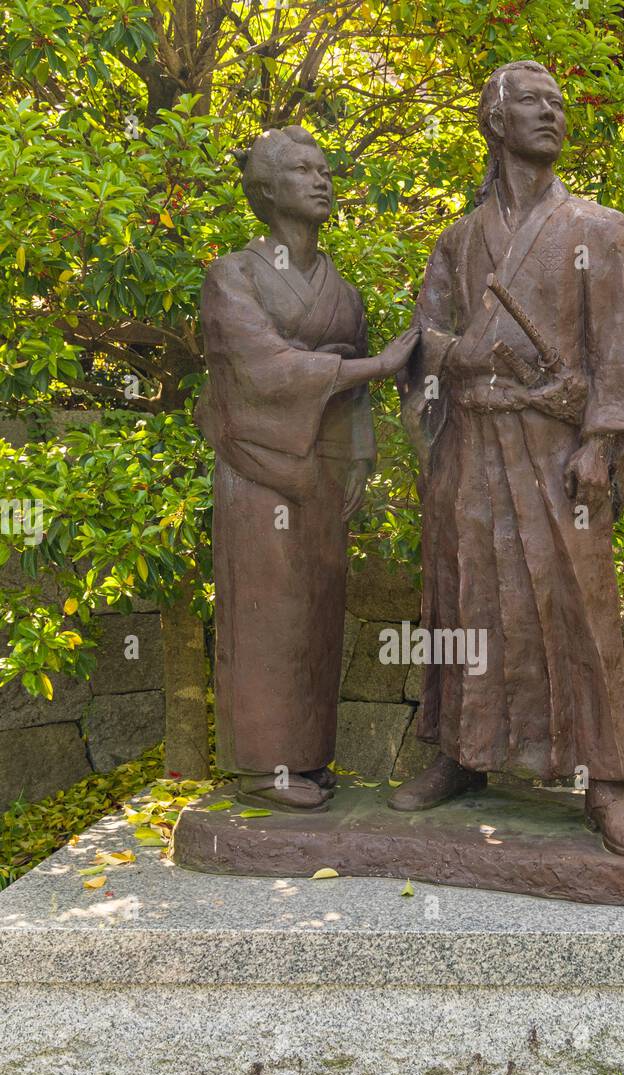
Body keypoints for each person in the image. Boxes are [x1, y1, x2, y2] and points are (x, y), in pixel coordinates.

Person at [392, 61, 624, 857]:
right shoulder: (459, 240)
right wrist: (457, 353)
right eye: (533, 102)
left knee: (582, 606)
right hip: (470, 448)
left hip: (554, 448)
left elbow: (614, 350)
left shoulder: (596, 228)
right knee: (464, 600)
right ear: (495, 121)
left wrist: (603, 442)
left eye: (558, 103)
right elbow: (423, 340)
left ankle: (607, 782)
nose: (551, 113)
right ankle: (462, 755)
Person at [196, 126, 417, 810]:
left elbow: (347, 396)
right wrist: (378, 366)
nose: (321, 180)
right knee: (267, 613)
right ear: (264, 190)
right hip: (258, 465)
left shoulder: (342, 290)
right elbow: (262, 368)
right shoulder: (231, 274)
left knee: (316, 612)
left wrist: (357, 460)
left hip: (321, 471)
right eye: (301, 170)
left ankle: (307, 757)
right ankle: (264, 768)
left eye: (325, 169)